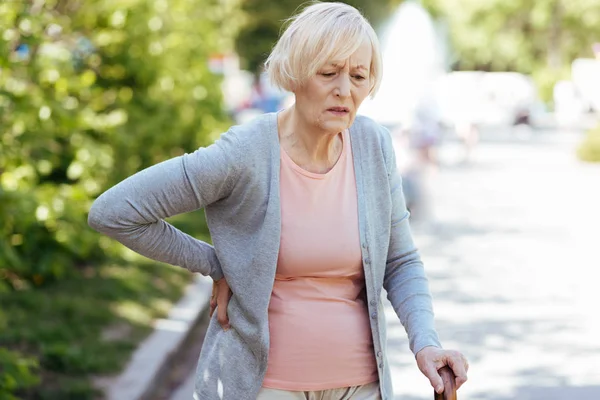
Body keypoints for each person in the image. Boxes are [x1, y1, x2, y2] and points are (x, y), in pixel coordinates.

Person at [88, 3, 468, 399]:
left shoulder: (374, 146)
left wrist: (425, 342)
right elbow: (115, 212)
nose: (345, 90)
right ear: (297, 74)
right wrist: (216, 263)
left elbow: (400, 260)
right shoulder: (245, 152)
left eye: (358, 76)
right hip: (266, 388)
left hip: (362, 387)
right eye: (328, 73)